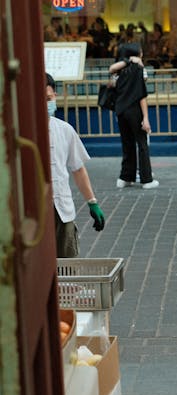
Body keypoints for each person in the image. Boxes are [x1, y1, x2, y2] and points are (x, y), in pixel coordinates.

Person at [46, 73, 105, 257]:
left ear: (55, 96)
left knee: (67, 269)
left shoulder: (64, 130)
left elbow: (78, 169)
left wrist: (92, 203)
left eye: (48, 98)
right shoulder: (17, 131)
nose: (45, 103)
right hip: (30, 213)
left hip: (62, 209)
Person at [109, 43, 159, 189]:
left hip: (121, 111)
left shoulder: (119, 71)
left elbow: (111, 72)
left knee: (127, 144)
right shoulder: (139, 70)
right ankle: (146, 179)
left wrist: (127, 60)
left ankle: (125, 177)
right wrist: (146, 118)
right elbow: (141, 95)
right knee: (142, 144)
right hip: (135, 110)